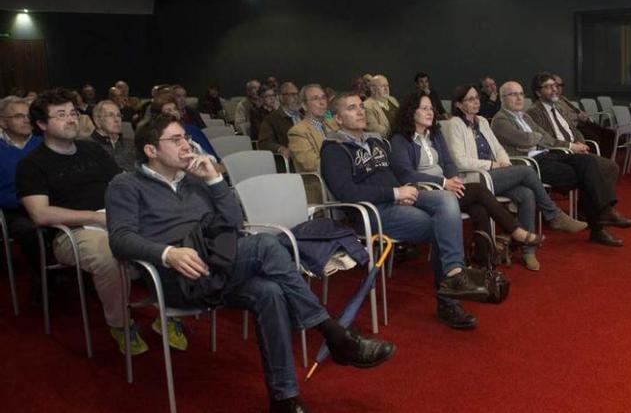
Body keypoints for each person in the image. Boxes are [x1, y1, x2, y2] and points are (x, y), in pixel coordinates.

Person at [106, 114, 395, 413]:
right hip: (176, 277)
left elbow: (232, 224)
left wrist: (215, 181)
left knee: (270, 292)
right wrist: (168, 253)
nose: (187, 145)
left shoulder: (196, 181)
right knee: (266, 244)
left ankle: (284, 399)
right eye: (176, 140)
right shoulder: (126, 185)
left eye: (186, 138)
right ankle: (334, 334)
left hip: (217, 269)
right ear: (151, 151)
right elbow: (120, 239)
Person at [321, 93, 490, 330]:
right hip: (371, 212)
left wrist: (402, 191)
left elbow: (391, 175)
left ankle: (454, 272)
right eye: (351, 108)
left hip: (396, 199)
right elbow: (345, 191)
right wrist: (394, 194)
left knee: (445, 199)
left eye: (361, 106)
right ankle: (449, 300)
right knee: (442, 226)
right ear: (338, 118)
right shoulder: (334, 149)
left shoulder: (375, 141)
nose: (361, 111)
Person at [15, 88, 157, 354]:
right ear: (42, 124)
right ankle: (120, 323)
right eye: (60, 115)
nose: (71, 119)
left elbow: (121, 184)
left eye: (72, 113)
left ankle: (169, 312)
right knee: (109, 256)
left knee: (171, 232)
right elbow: (40, 214)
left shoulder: (92, 150)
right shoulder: (31, 164)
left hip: (115, 220)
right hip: (72, 232)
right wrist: (95, 217)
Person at [389, 92, 543, 270]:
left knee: (479, 209)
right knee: (478, 190)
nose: (430, 112)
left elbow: (448, 162)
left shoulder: (435, 134)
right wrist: (443, 182)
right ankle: (515, 230)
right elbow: (406, 175)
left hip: (445, 187)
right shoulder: (400, 140)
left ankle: (485, 263)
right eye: (424, 108)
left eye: (431, 108)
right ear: (411, 112)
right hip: (421, 192)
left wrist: (453, 178)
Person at [444, 85, 588, 269]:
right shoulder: (454, 124)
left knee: (527, 193)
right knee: (527, 171)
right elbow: (459, 161)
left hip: (495, 174)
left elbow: (498, 149)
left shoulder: (483, 122)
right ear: (458, 104)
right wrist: (492, 165)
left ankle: (528, 251)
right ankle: (553, 214)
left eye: (477, 98)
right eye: (470, 99)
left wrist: (504, 162)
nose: (476, 102)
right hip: (474, 179)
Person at [493, 80, 631, 247]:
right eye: (513, 94)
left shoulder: (525, 117)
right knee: (588, 176)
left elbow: (547, 138)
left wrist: (540, 139)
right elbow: (525, 139)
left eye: (521, 94)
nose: (519, 98)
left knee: (588, 162)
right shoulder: (500, 120)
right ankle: (599, 224)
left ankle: (605, 212)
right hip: (532, 164)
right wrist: (538, 138)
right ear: (503, 99)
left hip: (549, 154)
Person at [0, 97, 44, 291]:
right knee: (31, 232)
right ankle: (44, 281)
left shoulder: (43, 144)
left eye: (28, 116)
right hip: (13, 210)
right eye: (19, 116)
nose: (26, 120)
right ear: (2, 121)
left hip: (47, 204)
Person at [551, 74, 616, 158]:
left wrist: (581, 114)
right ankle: (596, 161)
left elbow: (574, 111)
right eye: (556, 85)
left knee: (609, 133)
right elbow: (562, 117)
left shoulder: (563, 98)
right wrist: (578, 116)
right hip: (573, 127)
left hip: (582, 123)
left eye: (561, 85)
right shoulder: (552, 100)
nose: (559, 88)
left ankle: (606, 159)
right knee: (593, 137)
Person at [259, 82, 301, 159]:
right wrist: (280, 149)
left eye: (297, 94)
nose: (296, 97)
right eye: (291, 94)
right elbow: (264, 143)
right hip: (290, 160)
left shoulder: (303, 116)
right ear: (281, 97)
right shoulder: (272, 119)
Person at [90, 100, 135, 171]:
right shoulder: (87, 146)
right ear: (97, 121)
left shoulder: (131, 144)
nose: (116, 119)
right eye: (111, 115)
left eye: (118, 115)